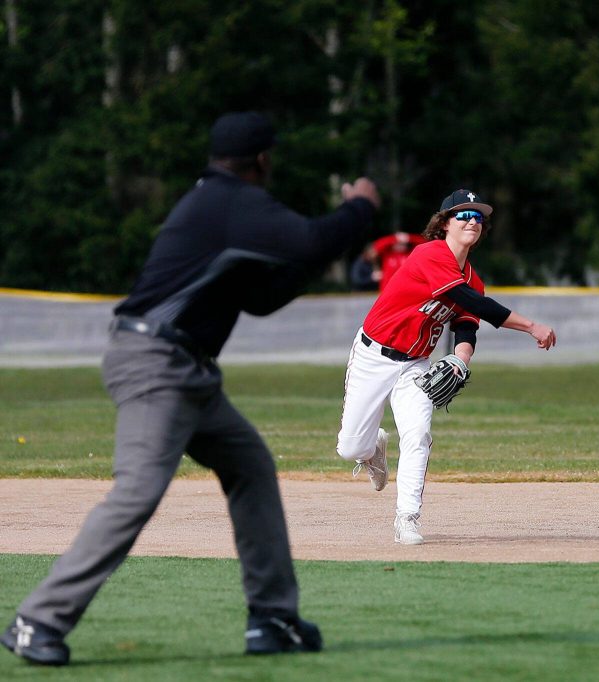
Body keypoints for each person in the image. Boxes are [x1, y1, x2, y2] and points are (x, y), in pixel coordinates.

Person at [1, 111, 380, 666]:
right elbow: (310, 239)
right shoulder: (232, 201)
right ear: (262, 159)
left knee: (249, 466)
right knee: (137, 493)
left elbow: (263, 296)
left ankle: (272, 618)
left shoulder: (217, 203)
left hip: (185, 370)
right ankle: (39, 620)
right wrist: (362, 206)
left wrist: (327, 246)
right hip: (157, 364)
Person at [334, 189, 556, 544]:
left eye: (478, 217)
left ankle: (407, 518)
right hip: (374, 355)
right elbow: (466, 299)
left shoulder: (474, 279)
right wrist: (531, 326)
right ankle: (371, 447)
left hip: (416, 365)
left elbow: (466, 324)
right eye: (463, 215)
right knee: (350, 449)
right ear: (444, 224)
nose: (472, 221)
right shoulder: (430, 254)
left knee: (418, 434)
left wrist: (459, 358)